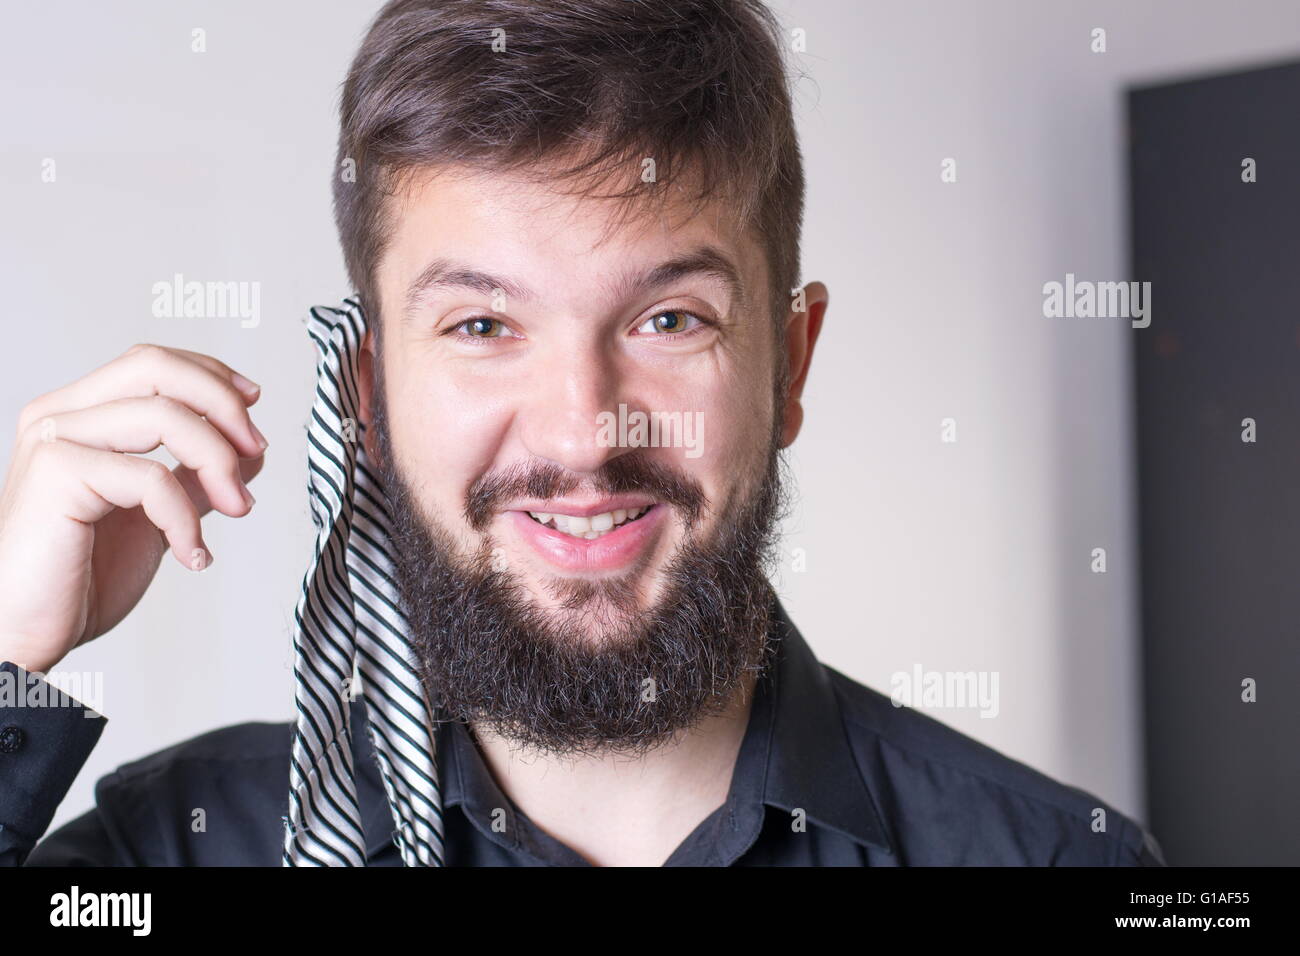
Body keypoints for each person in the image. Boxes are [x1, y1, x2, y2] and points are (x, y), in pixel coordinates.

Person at [0, 0, 1165, 867]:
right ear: (367, 390)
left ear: (790, 362)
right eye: (482, 322)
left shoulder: (1063, 861)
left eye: (667, 317)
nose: (584, 425)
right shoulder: (168, 854)